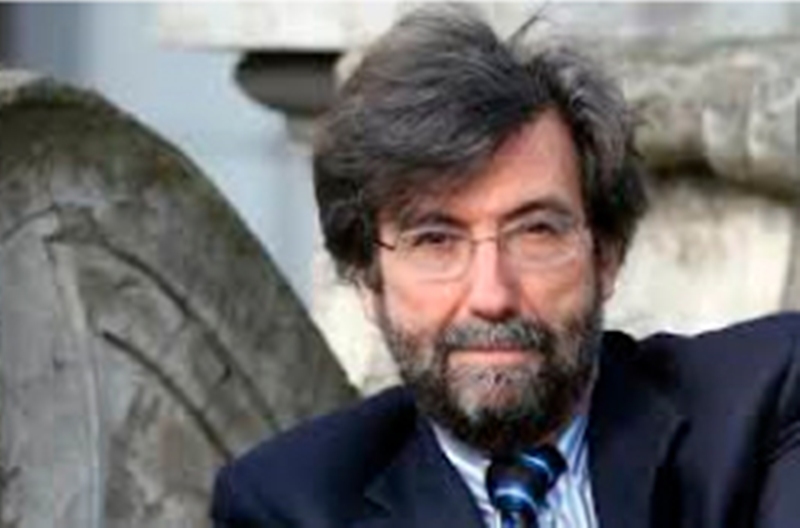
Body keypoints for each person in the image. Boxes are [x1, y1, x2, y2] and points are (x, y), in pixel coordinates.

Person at [211, 6, 800, 528]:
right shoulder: (292, 505)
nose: (491, 295)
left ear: (607, 253)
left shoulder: (762, 406)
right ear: (368, 279)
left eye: (536, 232)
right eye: (435, 240)